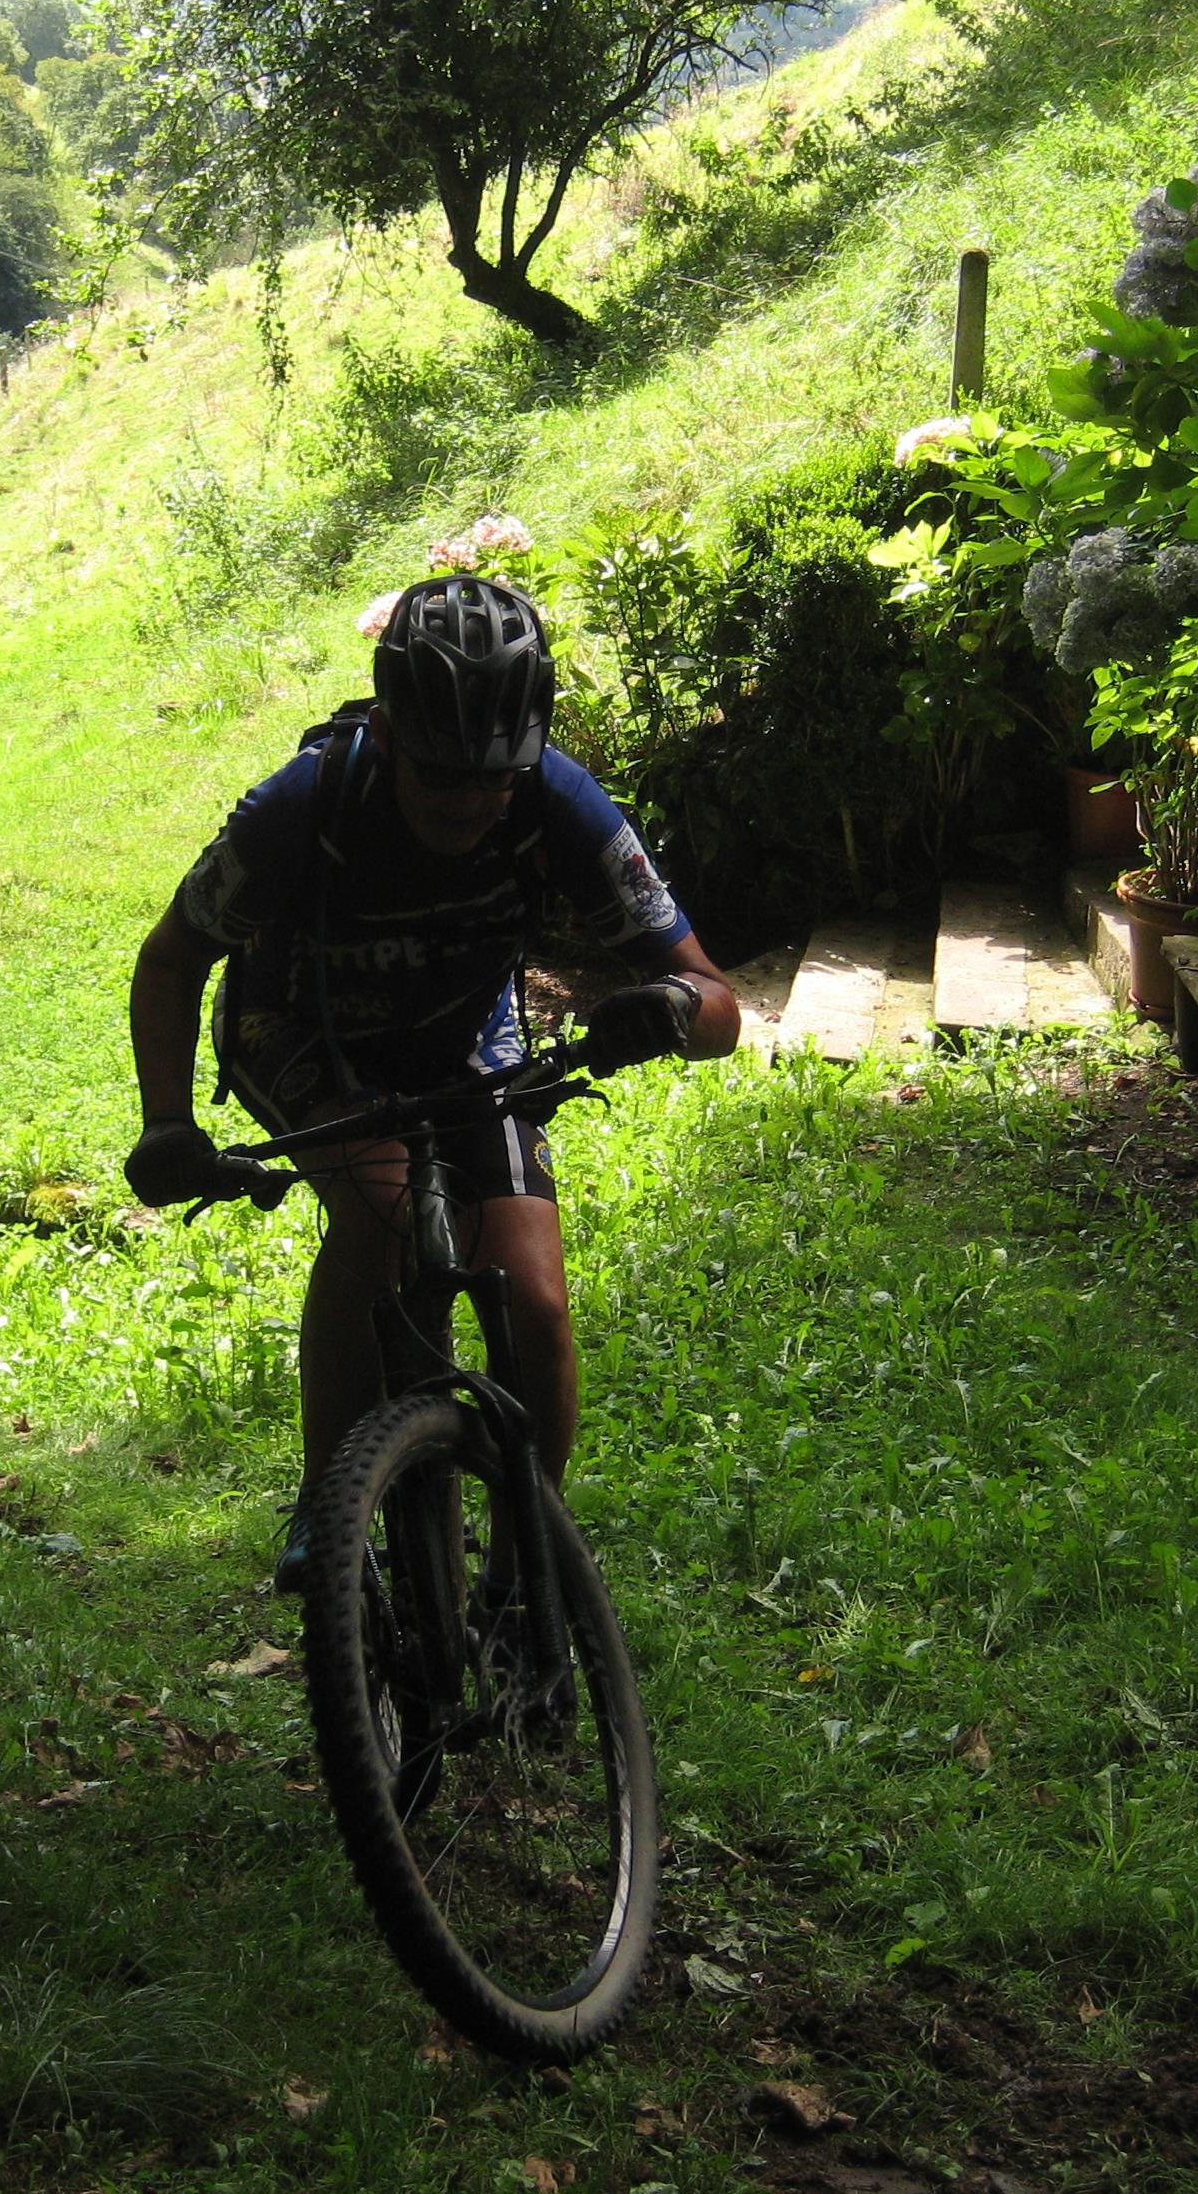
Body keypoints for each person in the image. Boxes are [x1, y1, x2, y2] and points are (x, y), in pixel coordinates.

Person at [123, 574, 740, 1590]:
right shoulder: (302, 806)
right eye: (439, 774)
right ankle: (330, 1505)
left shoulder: (559, 803)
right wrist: (165, 1122)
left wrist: (671, 1007)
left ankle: (528, 1558)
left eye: (495, 779)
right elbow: (172, 959)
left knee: (537, 1302)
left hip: (462, 1039)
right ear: (387, 733)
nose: (467, 801)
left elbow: (718, 1002)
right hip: (299, 1026)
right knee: (384, 1211)